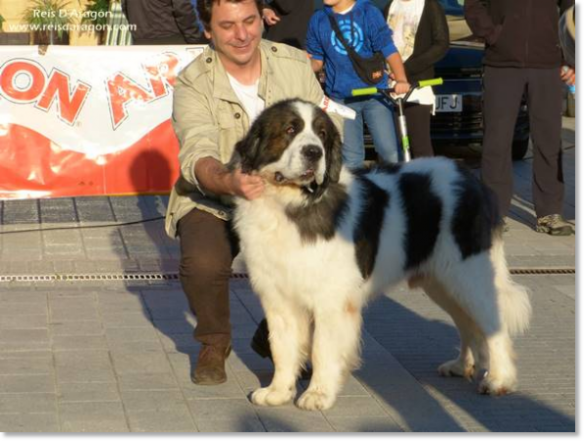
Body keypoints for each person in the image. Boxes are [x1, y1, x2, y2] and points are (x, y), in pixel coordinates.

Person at [165, 0, 340, 385]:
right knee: (203, 264)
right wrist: (230, 181)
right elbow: (197, 151)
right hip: (215, 197)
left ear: (263, 18)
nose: (242, 34)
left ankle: (279, 338)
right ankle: (214, 342)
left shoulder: (295, 64)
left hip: (289, 197)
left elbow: (324, 130)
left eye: (249, 21)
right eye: (227, 26)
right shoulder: (193, 80)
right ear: (208, 31)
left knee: (327, 260)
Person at [464, 0, 575, 235]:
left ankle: (549, 213)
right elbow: (473, 6)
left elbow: (572, 10)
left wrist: (571, 57)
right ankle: (493, 211)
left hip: (547, 63)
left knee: (549, 140)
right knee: (497, 140)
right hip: (501, 63)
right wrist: (494, 35)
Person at [306, 0, 410, 168]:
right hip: (342, 99)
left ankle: (392, 191)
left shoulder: (368, 13)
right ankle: (356, 194)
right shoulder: (318, 20)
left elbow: (388, 48)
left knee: (389, 152)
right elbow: (317, 60)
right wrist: (303, 64)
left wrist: (401, 79)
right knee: (351, 158)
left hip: (376, 96)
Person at [384, 0, 449, 158]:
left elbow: (441, 44)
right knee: (393, 147)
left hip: (417, 84)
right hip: (390, 85)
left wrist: (404, 70)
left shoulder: (430, 6)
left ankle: (427, 181)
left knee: (420, 145)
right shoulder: (390, 6)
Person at [122, 0, 207, 45]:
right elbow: (182, 8)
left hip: (140, 42)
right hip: (171, 43)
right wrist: (195, 38)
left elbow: (125, 7)